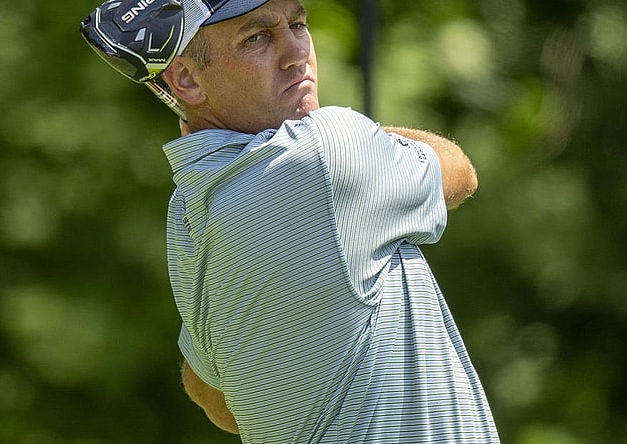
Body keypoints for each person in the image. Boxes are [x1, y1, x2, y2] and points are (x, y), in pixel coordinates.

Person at [149, 0, 500, 441]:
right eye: (256, 37)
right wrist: (367, 139)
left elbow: (214, 398)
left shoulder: (188, 211)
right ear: (185, 79)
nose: (295, 51)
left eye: (297, 24)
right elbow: (459, 171)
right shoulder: (328, 152)